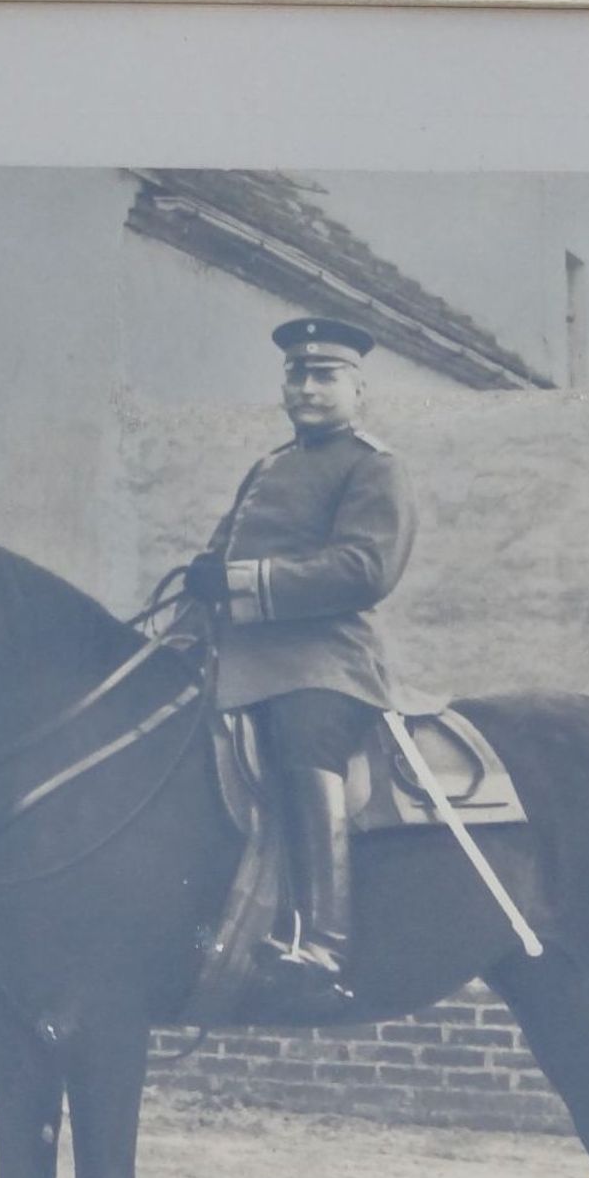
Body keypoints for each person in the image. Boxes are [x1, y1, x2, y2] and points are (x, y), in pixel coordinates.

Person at [184, 316, 418, 1004]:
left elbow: (364, 568)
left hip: (320, 663)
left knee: (300, 739)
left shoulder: (373, 466)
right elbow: (218, 561)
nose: (307, 388)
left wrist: (239, 582)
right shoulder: (269, 467)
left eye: (324, 376)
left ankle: (322, 941)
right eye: (296, 374)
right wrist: (189, 611)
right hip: (235, 657)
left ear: (356, 387)